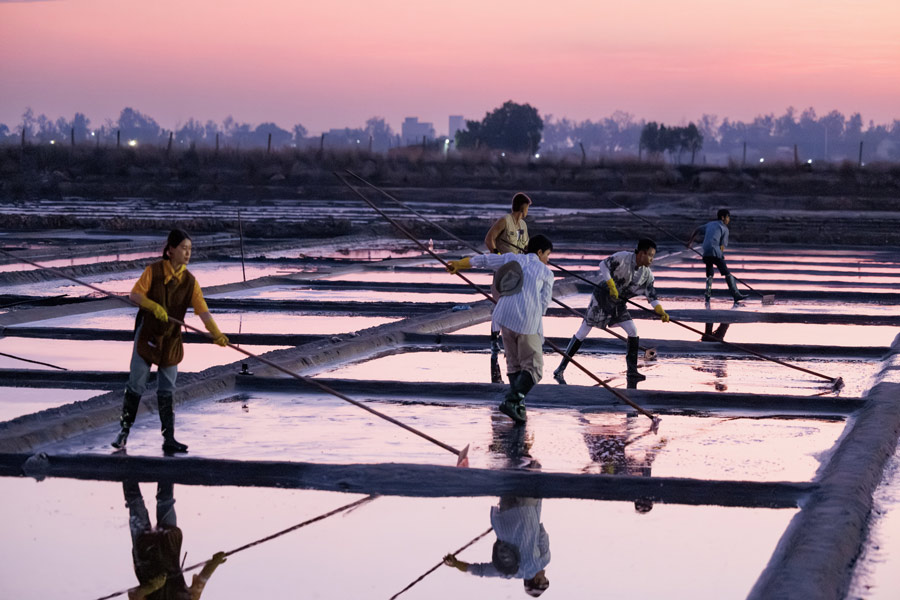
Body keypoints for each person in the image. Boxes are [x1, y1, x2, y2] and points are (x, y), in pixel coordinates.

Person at [112, 229, 229, 453]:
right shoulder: (153, 271)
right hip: (148, 335)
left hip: (172, 339)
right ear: (171, 250)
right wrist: (153, 306)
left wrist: (216, 334)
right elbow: (135, 295)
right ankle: (124, 432)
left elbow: (203, 312)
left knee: (167, 388)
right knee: (136, 382)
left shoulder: (190, 282)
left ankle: (169, 438)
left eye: (190, 249)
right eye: (184, 248)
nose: (187, 253)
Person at [447, 234, 554, 425]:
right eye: (548, 255)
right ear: (539, 252)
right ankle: (513, 401)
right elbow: (543, 305)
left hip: (503, 316)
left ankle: (518, 406)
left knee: (514, 365)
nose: (548, 259)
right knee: (534, 369)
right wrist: (539, 331)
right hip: (527, 322)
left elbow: (486, 260)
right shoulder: (546, 273)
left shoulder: (513, 258)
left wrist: (459, 264)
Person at [552, 238, 669, 384]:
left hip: (619, 304)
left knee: (632, 330)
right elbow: (603, 265)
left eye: (653, 256)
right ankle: (560, 368)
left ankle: (632, 372)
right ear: (641, 253)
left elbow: (652, 296)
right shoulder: (623, 258)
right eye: (650, 255)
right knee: (583, 331)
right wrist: (611, 285)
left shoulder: (647, 275)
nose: (652, 259)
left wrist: (660, 310)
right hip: (602, 297)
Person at [123, 480, 226, 599]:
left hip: (145, 551)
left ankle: (126, 468)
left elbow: (134, 595)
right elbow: (200, 582)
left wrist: (151, 587)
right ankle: (167, 467)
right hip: (169, 545)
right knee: (166, 500)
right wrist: (214, 563)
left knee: (135, 504)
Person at [443, 496, 551, 597]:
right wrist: (456, 564)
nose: (544, 573)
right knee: (509, 481)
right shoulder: (507, 572)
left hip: (528, 510)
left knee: (528, 478)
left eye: (543, 578)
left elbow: (542, 534)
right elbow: (480, 570)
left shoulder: (543, 561)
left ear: (536, 581)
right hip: (504, 514)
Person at [484, 192, 532, 383]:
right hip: (504, 270)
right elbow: (489, 239)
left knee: (514, 307)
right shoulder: (505, 221)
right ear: (522, 207)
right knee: (500, 306)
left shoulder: (524, 225)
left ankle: (512, 344)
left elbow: (526, 246)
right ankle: (495, 343)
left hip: (518, 272)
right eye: (527, 207)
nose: (528, 211)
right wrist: (497, 256)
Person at [687, 208, 749, 308]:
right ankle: (736, 294)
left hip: (706, 252)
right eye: (728, 217)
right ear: (723, 217)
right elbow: (722, 246)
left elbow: (697, 229)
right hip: (715, 252)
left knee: (710, 273)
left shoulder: (709, 224)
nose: (729, 220)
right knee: (727, 274)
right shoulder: (724, 228)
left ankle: (707, 296)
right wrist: (721, 256)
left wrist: (690, 242)